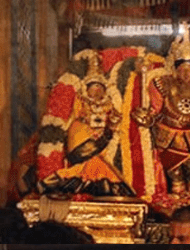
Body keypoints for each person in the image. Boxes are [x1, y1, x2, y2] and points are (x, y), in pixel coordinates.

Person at [132, 35, 190, 194]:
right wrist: (147, 118)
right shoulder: (164, 84)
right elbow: (155, 109)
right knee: (176, 177)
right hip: (168, 138)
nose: (186, 74)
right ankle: (176, 205)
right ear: (175, 70)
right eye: (182, 70)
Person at [38, 53, 134, 197]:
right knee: (88, 169)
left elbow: (117, 128)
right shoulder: (79, 112)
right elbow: (76, 150)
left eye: (100, 87)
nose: (97, 91)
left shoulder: (110, 107)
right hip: (84, 149)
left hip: (105, 154)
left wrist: (112, 126)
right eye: (93, 87)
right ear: (86, 89)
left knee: (110, 179)